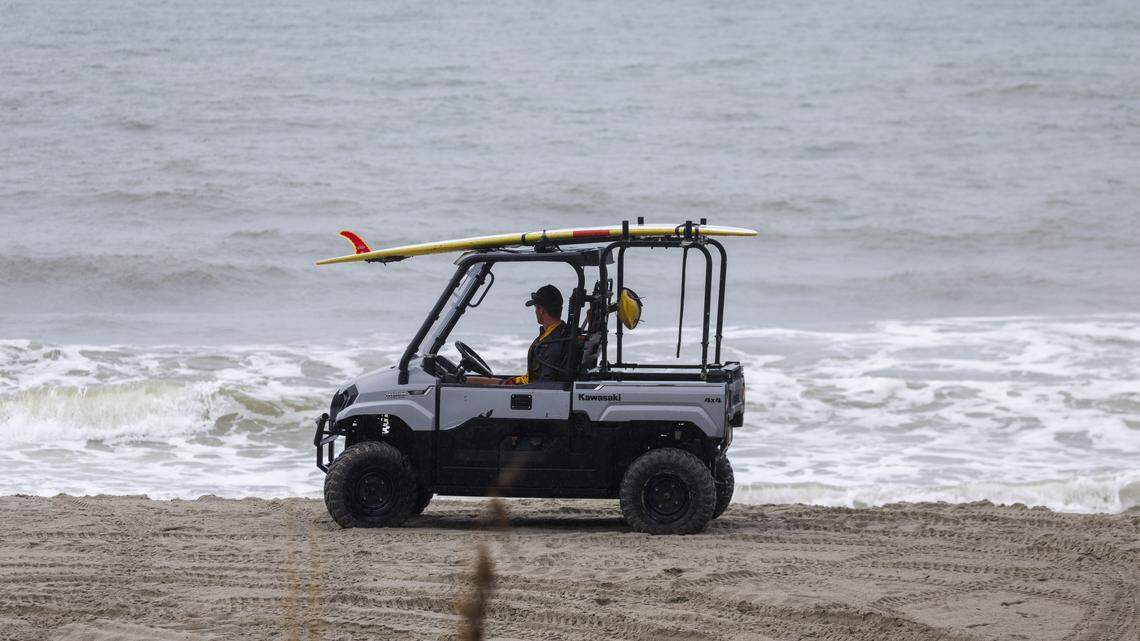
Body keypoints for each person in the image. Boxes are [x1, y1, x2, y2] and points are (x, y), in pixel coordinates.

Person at [467, 284, 572, 385]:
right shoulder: (559, 333)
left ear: (541, 310)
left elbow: (544, 385)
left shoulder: (552, 343)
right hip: (525, 384)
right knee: (470, 380)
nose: (536, 311)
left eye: (536, 308)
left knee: (465, 381)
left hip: (526, 389)